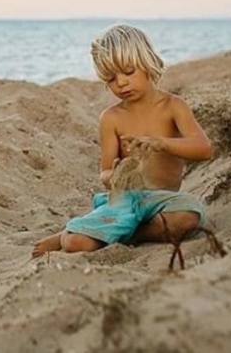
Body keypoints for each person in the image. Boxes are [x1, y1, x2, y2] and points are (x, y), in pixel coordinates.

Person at [32, 24, 213, 257]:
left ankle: (121, 234)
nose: (121, 83)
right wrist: (115, 177)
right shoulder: (111, 118)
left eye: (128, 72)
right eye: (111, 79)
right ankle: (69, 234)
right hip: (124, 201)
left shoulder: (173, 106)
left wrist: (163, 143)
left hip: (161, 201)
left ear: (147, 63)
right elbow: (105, 171)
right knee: (74, 244)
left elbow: (204, 149)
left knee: (189, 217)